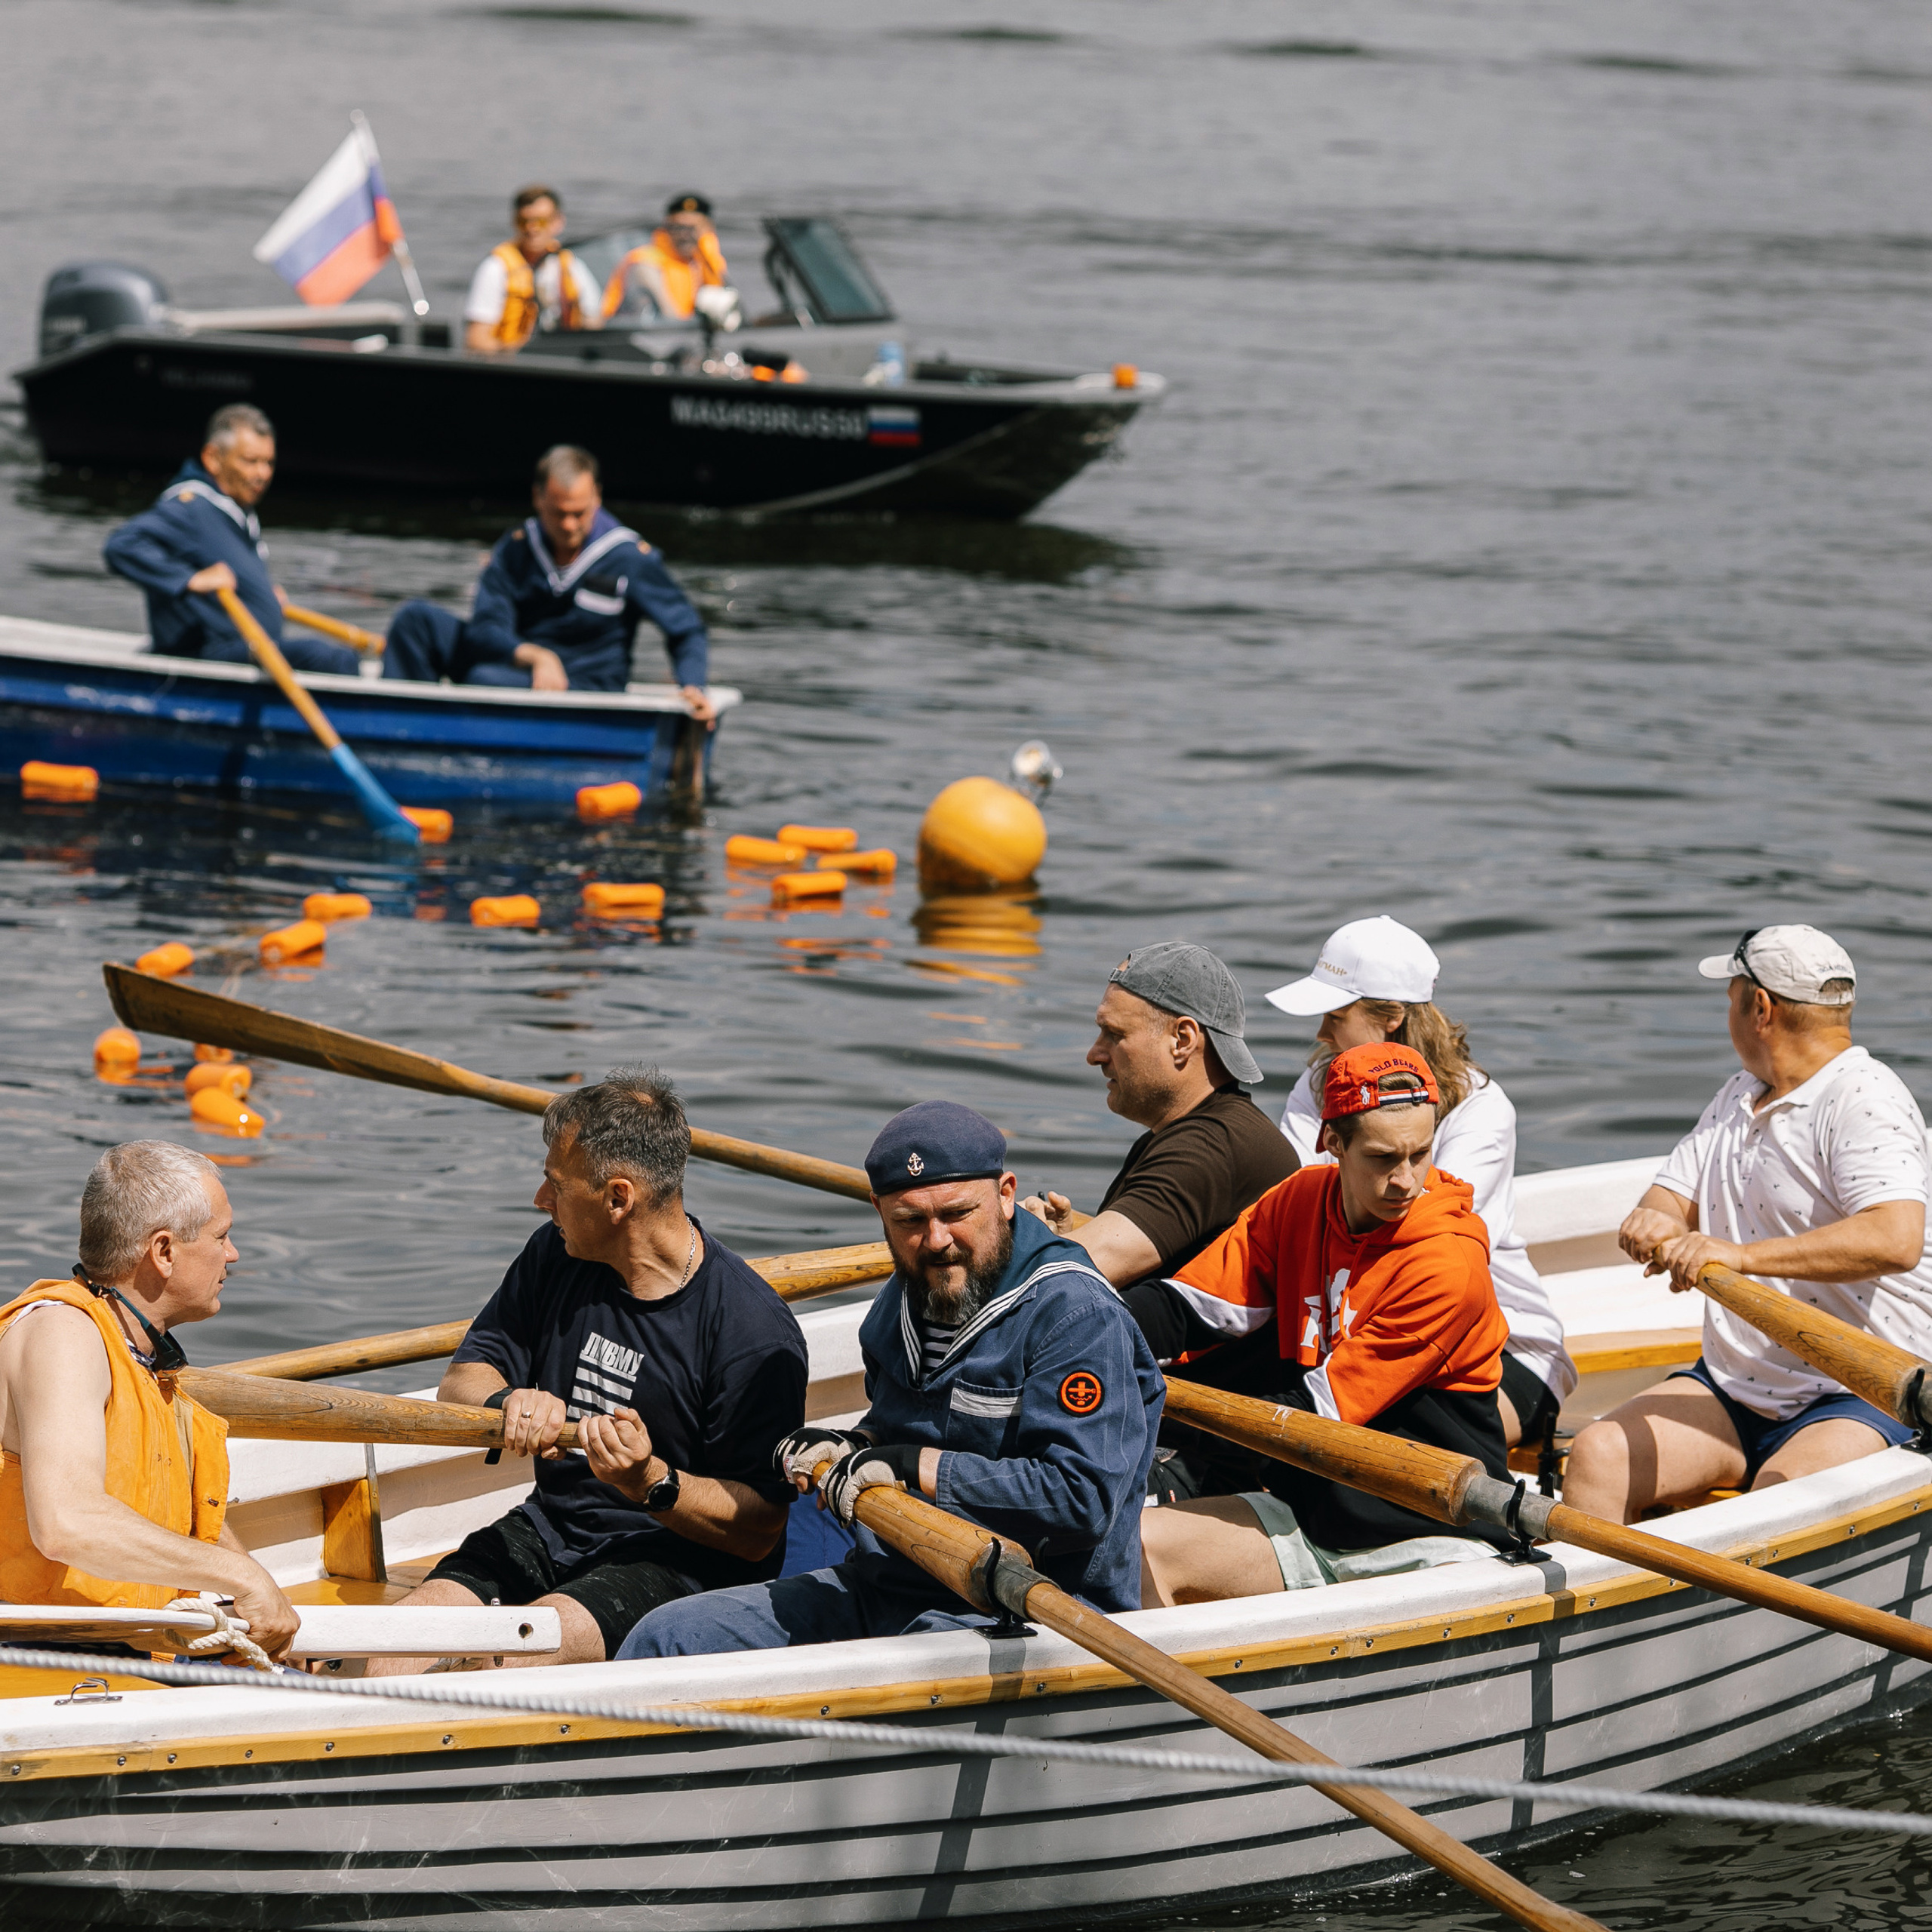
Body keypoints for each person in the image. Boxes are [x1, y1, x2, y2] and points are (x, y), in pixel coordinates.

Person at [615, 1100, 1164, 1658]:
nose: (936, 1240)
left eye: (956, 1213)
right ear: (878, 1209)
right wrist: (857, 1443)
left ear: (1004, 1194)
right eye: (910, 1222)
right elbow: (900, 1422)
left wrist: (915, 1466)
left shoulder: (1077, 1317)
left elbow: (1083, 1498)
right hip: (892, 1584)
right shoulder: (900, 1302)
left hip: (1036, 1610)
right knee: (667, 1636)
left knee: (912, 1667)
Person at [365, 1066, 808, 1675]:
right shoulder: (556, 1254)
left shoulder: (751, 1332)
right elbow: (465, 1377)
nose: (540, 1201)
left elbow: (758, 1528)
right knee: (391, 1652)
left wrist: (649, 1480)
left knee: (505, 1664)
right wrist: (508, 1402)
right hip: (552, 1527)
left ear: (618, 1197)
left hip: (679, 1560)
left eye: (556, 1185)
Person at [1563, 926, 1930, 1524]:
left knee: (1779, 1499)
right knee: (1600, 1455)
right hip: (1737, 1386)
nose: (1726, 1013)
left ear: (1760, 1007)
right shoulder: (1739, 1096)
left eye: (1730, 996)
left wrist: (1739, 1257)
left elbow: (1895, 1238)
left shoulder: (1864, 1099)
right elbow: (1666, 1202)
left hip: (1862, 1390)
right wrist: (1652, 1225)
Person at [1138, 1045, 1512, 1607]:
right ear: (1332, 1143)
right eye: (1384, 1158)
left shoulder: (1448, 1262)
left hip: (1431, 1532)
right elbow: (1188, 1310)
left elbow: (1313, 1416)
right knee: (1134, 1544)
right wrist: (1078, 1334)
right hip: (1314, 1513)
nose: (1406, 1181)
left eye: (1420, 1154)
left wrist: (1148, 1410)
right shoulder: (1297, 1203)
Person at [1265, 917, 1575, 1449]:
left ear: (1392, 1019)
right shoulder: (1320, 1083)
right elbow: (1289, 1203)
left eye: (1336, 1016)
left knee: (1355, 1443)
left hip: (1503, 1351)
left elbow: (1415, 1228)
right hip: (1348, 1326)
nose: (1321, 1033)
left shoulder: (1480, 1108)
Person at [0, 1143, 299, 1661]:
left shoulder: (139, 1355)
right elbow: (67, 1522)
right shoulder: (64, 1334)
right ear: (163, 1251)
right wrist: (243, 1576)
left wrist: (261, 1595)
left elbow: (157, 1499)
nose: (233, 1255)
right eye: (222, 1237)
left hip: (123, 1644)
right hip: (36, 1655)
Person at [1020, 942, 1300, 1291]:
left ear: (1182, 1039)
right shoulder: (1193, 1133)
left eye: (1115, 1034)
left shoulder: (1211, 1147)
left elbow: (1061, 1278)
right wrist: (1057, 1236)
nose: (1094, 1055)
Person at [380, 445, 715, 715]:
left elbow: (685, 630)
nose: (569, 526)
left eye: (579, 514)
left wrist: (692, 685)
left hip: (587, 682)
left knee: (484, 679)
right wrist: (537, 656)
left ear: (596, 497)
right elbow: (485, 628)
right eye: (559, 514)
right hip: (521, 661)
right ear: (538, 498)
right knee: (416, 621)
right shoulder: (517, 548)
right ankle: (395, 726)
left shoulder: (627, 556)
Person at [101, 404, 360, 675]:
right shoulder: (191, 508)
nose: (262, 474)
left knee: (351, 655)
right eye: (250, 461)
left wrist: (262, 598)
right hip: (204, 655)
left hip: (241, 648)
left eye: (269, 462)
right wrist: (190, 580)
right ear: (213, 459)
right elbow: (121, 546)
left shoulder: (235, 511)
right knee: (329, 659)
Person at [463, 184, 604, 355]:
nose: (533, 229)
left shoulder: (571, 265)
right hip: (516, 367)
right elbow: (477, 340)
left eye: (542, 221)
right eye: (524, 222)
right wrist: (522, 354)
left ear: (558, 223)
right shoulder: (496, 268)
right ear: (514, 223)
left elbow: (594, 323)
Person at [603, 192, 733, 324]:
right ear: (667, 228)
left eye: (691, 229)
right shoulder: (645, 260)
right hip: (637, 334)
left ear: (708, 229)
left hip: (682, 335)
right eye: (677, 228)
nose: (684, 235)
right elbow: (671, 317)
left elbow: (724, 301)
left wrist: (709, 254)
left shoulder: (701, 261)